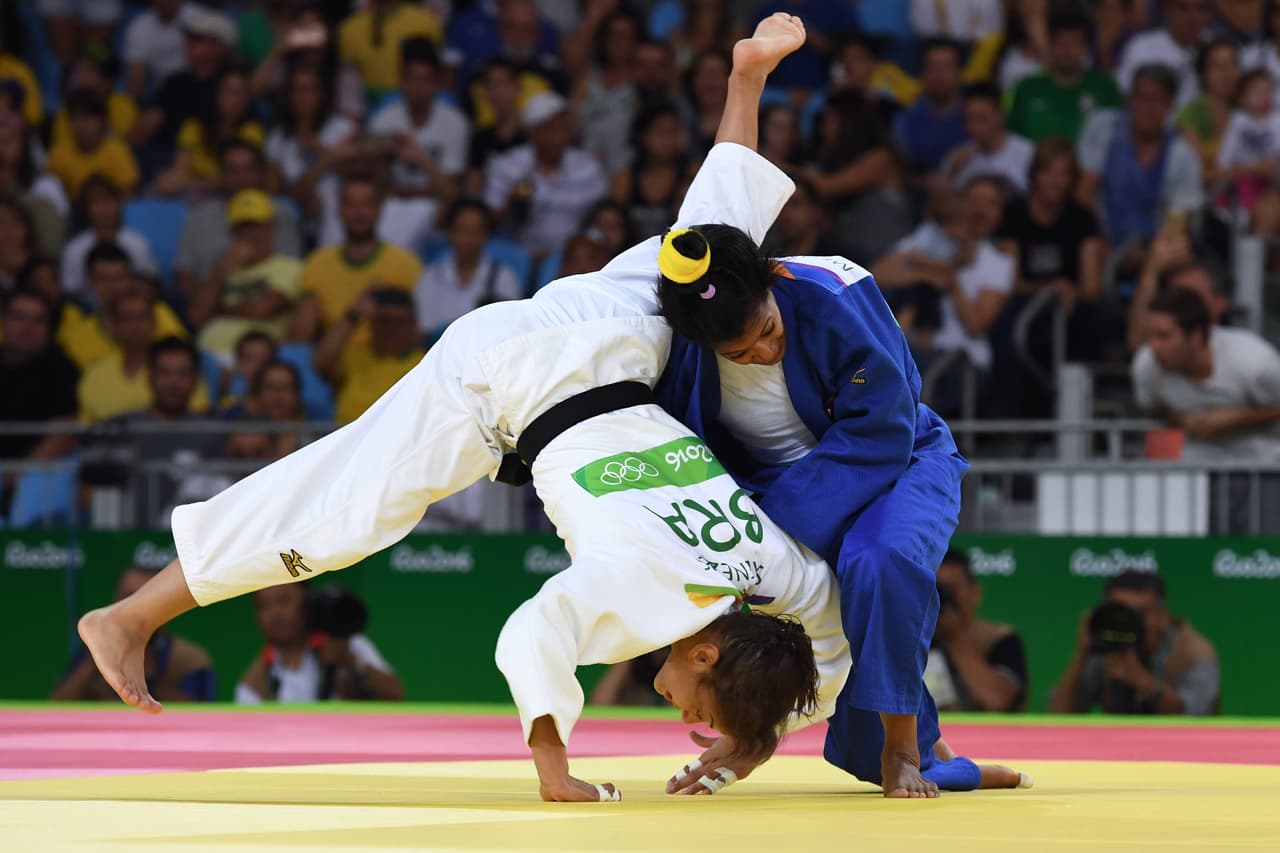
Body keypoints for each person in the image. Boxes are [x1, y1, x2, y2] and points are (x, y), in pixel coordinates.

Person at [76, 16, 1029, 801]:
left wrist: (746, 76)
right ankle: (134, 614)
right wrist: (555, 768)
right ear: (704, 647)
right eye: (699, 702)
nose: (679, 709)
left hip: (565, 330)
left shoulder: (672, 292)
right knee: (347, 509)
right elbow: (536, 635)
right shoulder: (658, 576)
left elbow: (722, 192)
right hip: (503, 385)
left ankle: (136, 611)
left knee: (346, 499)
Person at [1131, 287, 1280, 533]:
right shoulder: (1146, 366)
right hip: (1199, 468)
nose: (1154, 346)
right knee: (1199, 551)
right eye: (1150, 336)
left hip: (1267, 465)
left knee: (1264, 552)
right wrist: (1182, 419)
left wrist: (1238, 418)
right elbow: (1153, 410)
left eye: (1164, 336)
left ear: (1196, 336)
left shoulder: (1254, 361)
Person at [1050, 570, 1219, 715]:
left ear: (1163, 617)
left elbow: (1197, 716)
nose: (1128, 622)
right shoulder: (1106, 646)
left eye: (1139, 614)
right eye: (1119, 613)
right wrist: (1082, 653)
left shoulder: (1193, 652)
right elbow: (1059, 713)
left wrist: (1144, 683)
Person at [1076, 63, 1204, 254]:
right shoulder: (1104, 129)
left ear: (1171, 105)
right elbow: (1083, 194)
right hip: (1101, 241)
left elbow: (1177, 223)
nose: (1148, 108)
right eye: (1142, 98)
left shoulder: (1182, 154)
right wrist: (1104, 245)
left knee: (1193, 277)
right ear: (1130, 99)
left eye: (1157, 100)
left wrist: (1150, 261)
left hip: (1156, 249)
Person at [287, 175, 422, 346]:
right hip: (331, 363)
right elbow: (300, 337)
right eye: (351, 204)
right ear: (339, 210)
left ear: (379, 210)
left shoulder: (406, 264)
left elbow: (418, 332)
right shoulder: (317, 263)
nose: (359, 212)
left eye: (367, 204)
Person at [52, 565, 215, 702]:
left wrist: (152, 680)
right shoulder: (94, 647)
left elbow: (202, 715)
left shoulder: (188, 659)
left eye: (144, 599)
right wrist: (92, 668)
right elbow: (57, 704)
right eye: (128, 596)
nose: (135, 606)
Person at [484, 91, 607, 260]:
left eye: (563, 127)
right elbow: (488, 220)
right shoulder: (509, 166)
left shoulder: (587, 168)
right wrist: (511, 203)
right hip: (519, 254)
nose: (558, 134)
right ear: (531, 132)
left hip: (570, 259)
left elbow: (601, 221)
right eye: (549, 127)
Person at [173, 140, 304, 295]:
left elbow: (291, 277)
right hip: (208, 309)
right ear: (221, 175)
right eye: (232, 170)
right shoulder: (198, 217)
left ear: (261, 174)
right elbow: (184, 278)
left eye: (248, 169)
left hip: (267, 307)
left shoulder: (280, 214)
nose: (241, 177)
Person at [235, 583, 402, 703]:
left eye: (284, 601)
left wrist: (350, 661)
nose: (275, 613)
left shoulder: (346, 643)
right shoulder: (256, 678)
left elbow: (395, 695)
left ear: (306, 601)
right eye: (265, 605)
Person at [189, 189, 302, 363]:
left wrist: (217, 312)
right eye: (242, 227)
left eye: (257, 226)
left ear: (272, 227)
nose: (250, 234)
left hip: (255, 360)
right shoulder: (224, 270)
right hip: (207, 356)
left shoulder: (290, 267)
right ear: (232, 232)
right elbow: (196, 317)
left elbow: (262, 309)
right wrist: (220, 272)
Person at [367, 38, 468, 204]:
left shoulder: (456, 123)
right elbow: (373, 177)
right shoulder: (383, 118)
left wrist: (420, 159)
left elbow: (451, 192)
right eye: (412, 79)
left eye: (425, 80)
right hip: (391, 205)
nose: (418, 87)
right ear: (402, 80)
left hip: (436, 209)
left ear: (436, 83)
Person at [926, 549, 1027, 712]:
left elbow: (998, 702)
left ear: (975, 592)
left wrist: (953, 639)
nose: (941, 597)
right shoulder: (904, 640)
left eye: (951, 588)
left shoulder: (999, 640)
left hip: (982, 735)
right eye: (934, 587)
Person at [1006, 10, 1125, 144]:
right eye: (1061, 42)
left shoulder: (1105, 87)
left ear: (1086, 48)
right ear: (1050, 45)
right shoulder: (1027, 89)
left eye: (1075, 43)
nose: (1068, 50)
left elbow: (1120, 137)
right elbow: (1013, 141)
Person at [414, 199, 523, 343]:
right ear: (450, 234)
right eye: (462, 231)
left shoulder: (504, 278)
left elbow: (512, 334)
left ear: (486, 235)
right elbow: (422, 331)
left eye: (476, 231)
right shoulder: (431, 276)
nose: (469, 239)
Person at [314, 287, 424, 423]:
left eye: (400, 321)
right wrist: (353, 315)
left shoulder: (426, 363)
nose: (391, 328)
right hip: (350, 440)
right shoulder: (354, 356)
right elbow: (321, 362)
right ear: (371, 322)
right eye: (384, 320)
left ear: (413, 325)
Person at [61, 175, 157, 294]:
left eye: (108, 200)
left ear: (118, 204)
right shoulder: (74, 250)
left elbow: (149, 286)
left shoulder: (139, 244)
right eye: (96, 202)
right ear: (86, 209)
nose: (103, 208)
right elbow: (71, 293)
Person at [337, 0, 443, 107]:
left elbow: (434, 73)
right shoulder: (349, 29)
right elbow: (348, 80)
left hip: (413, 101)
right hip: (365, 105)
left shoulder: (426, 23)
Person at [939, 83, 1034, 194]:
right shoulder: (956, 159)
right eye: (970, 119)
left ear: (1001, 115)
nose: (975, 127)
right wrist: (951, 174)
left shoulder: (1028, 154)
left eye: (982, 118)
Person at [1115, 0, 1212, 108]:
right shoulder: (1142, 47)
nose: (1193, 16)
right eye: (1183, 8)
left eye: (1201, 8)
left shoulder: (1217, 49)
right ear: (1168, 11)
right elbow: (1123, 93)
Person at [46, 89, 140, 198]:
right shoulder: (58, 153)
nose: (81, 125)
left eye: (88, 118)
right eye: (75, 118)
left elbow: (127, 195)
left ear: (103, 122)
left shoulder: (117, 152)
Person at [122, 0, 188, 99]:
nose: (165, 3)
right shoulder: (140, 26)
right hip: (159, 85)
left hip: (192, 78)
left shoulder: (197, 20)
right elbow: (137, 73)